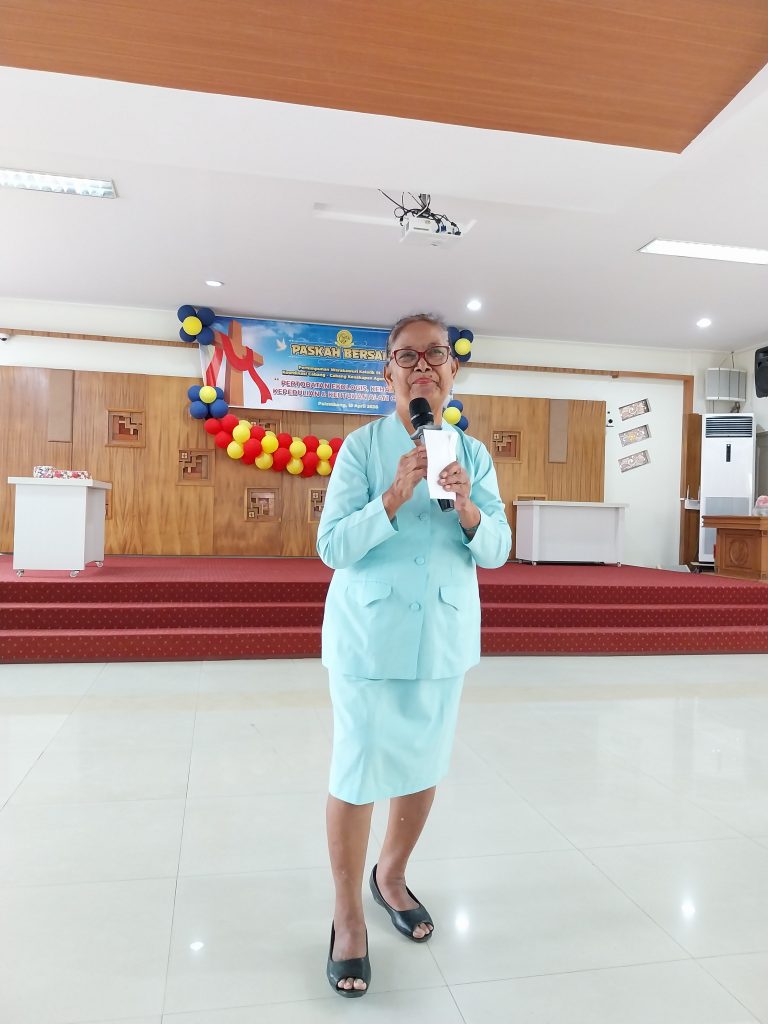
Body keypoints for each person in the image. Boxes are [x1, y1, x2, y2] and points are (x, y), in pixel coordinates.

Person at [317, 313, 512, 997]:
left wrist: (469, 509)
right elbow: (332, 547)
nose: (423, 365)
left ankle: (391, 877)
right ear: (388, 373)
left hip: (442, 638)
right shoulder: (361, 449)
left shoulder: (472, 455)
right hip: (369, 640)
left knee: (423, 765)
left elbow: (498, 550)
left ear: (453, 371)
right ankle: (347, 916)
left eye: (435, 354)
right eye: (408, 356)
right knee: (358, 770)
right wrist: (393, 496)